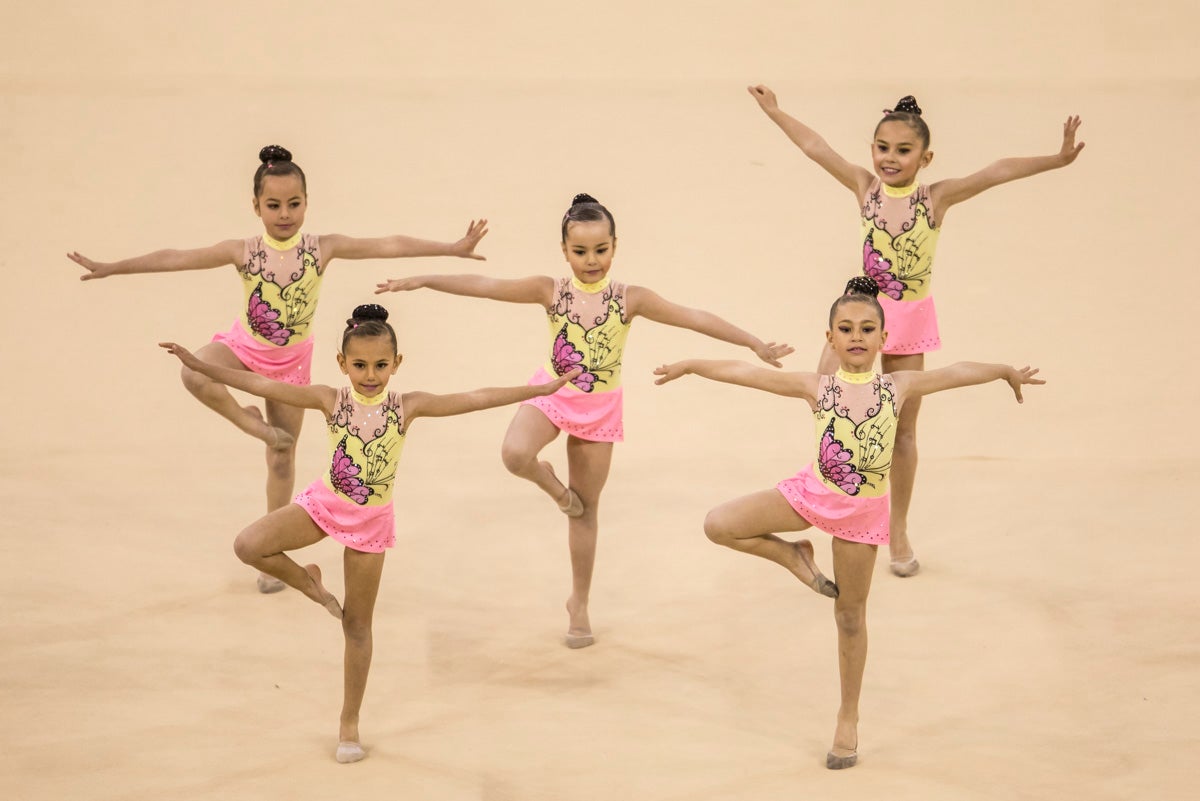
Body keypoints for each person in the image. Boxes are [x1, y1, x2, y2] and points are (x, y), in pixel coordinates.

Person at [160, 304, 580, 764]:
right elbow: (262, 384)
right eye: (359, 365)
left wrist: (540, 390)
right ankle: (309, 583)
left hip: (370, 526)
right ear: (342, 364)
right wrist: (201, 366)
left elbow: (474, 397)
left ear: (397, 364)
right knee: (248, 545)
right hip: (323, 505)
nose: (370, 375)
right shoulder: (329, 399)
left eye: (381, 365)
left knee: (356, 626)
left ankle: (349, 721)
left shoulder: (408, 406)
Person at [652, 277, 1044, 769]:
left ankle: (848, 715)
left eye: (866, 328)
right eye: (845, 328)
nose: (856, 337)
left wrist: (1003, 371)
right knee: (719, 524)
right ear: (830, 338)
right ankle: (793, 553)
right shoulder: (817, 386)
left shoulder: (899, 385)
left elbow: (958, 371)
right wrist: (692, 365)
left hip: (861, 516)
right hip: (812, 495)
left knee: (850, 618)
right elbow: (743, 372)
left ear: (884, 339)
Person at [375, 193, 794, 648]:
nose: (591, 261)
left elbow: (692, 317)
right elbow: (487, 285)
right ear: (563, 251)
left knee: (586, 509)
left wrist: (753, 342)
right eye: (580, 252)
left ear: (615, 246)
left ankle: (579, 602)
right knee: (516, 453)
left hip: (598, 409)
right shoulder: (550, 291)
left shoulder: (630, 299)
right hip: (553, 392)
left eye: (601, 250)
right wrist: (422, 279)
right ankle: (553, 486)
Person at [70, 145, 488, 593]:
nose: (285, 214)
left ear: (307, 202)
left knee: (283, 455)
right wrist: (113, 268)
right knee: (195, 373)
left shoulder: (321, 249)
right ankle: (251, 423)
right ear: (256, 207)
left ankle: (272, 552)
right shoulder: (245, 251)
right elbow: (176, 256)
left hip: (290, 364)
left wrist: (452, 247)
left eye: (294, 204)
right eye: (273, 205)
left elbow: (387, 243)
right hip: (245, 347)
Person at [747, 87, 1081, 577]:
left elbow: (996, 171)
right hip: (862, 313)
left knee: (902, 430)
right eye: (883, 147)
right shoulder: (865, 188)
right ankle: (834, 494)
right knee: (824, 399)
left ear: (925, 158)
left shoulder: (935, 197)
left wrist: (1057, 159)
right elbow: (816, 147)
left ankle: (894, 526)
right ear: (873, 150)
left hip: (909, 319)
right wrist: (776, 112)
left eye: (903, 151)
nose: (890, 158)